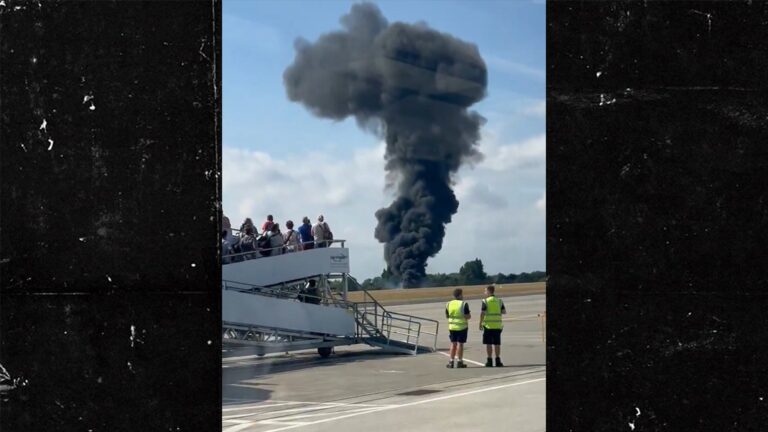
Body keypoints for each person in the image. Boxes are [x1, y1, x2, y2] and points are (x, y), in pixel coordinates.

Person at [479, 285, 507, 367]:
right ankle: (498, 360)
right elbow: (504, 311)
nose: (484, 293)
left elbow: (482, 312)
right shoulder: (499, 301)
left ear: (489, 291)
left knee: (489, 344)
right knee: (497, 344)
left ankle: (489, 360)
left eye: (485, 291)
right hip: (497, 325)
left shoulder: (485, 301)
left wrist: (480, 323)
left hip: (488, 326)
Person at [445, 288, 471, 368]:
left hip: (452, 327)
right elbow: (468, 316)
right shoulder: (463, 304)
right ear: (459, 295)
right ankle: (459, 361)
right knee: (460, 344)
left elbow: (447, 316)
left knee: (453, 344)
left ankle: (451, 361)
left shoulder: (448, 304)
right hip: (461, 327)